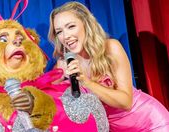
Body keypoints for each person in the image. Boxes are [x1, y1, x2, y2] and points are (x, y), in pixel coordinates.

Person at [48, 1, 169, 131]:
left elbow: (126, 102)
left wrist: (86, 82)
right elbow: (46, 100)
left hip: (150, 123)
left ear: (86, 24)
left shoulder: (111, 48)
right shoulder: (63, 65)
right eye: (59, 32)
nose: (66, 36)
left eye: (71, 26)